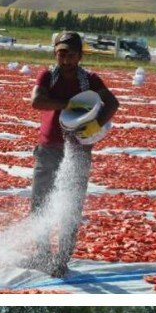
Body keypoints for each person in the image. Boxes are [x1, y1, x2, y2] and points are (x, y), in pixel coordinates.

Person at [26, 31, 120, 277]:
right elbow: (37, 102)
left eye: (71, 55)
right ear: (55, 54)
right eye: (61, 54)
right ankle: (42, 255)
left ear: (80, 56)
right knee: (40, 203)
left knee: (71, 206)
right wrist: (68, 105)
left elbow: (112, 103)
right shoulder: (48, 76)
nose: (65, 60)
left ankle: (61, 259)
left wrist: (96, 123)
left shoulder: (89, 80)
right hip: (49, 148)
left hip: (78, 150)